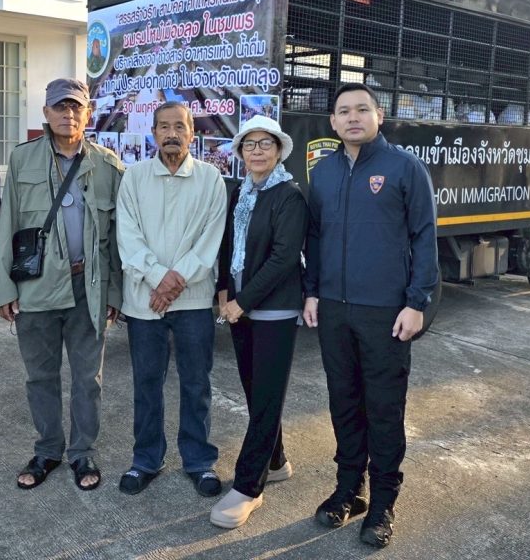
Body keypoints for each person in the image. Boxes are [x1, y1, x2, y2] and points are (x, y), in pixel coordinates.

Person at [303, 82, 438, 548]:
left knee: (383, 408)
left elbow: (424, 236)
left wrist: (417, 302)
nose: (353, 117)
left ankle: (382, 503)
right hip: (334, 310)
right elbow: (315, 238)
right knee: (343, 401)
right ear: (333, 122)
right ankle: (349, 489)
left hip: (385, 312)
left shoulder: (404, 168)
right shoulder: (323, 172)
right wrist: (312, 292)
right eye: (344, 111)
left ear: (379, 116)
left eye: (362, 109)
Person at [0, 79, 124, 492]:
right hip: (37, 288)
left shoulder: (108, 164)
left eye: (76, 107)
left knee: (88, 379)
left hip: (89, 287)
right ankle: (48, 450)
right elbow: (7, 223)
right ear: (46, 113)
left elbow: (117, 237)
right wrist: (4, 288)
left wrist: (114, 292)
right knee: (40, 376)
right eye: (60, 107)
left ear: (88, 113)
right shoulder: (22, 158)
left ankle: (83, 452)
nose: (68, 114)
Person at [115, 101, 227, 498]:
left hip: (193, 300)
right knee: (147, 383)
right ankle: (146, 459)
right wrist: (157, 277)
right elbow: (127, 235)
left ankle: (199, 461)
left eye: (179, 126)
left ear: (192, 132)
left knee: (196, 383)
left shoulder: (211, 179)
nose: (171, 134)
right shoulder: (134, 178)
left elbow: (211, 239)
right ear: (153, 133)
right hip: (144, 301)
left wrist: (174, 281)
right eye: (163, 127)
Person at [210, 115, 308, 529]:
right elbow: (228, 242)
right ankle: (277, 461)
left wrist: (242, 302)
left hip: (273, 311)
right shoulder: (241, 191)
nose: (256, 151)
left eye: (265, 143)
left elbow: (284, 258)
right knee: (256, 392)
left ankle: (249, 486)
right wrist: (223, 289)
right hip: (239, 306)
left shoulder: (289, 196)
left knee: (266, 397)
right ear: (240, 153)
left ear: (279, 150)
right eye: (249, 145)